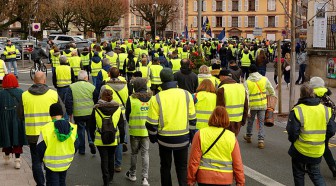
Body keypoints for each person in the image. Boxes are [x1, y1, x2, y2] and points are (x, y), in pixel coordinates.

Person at [146, 68, 197, 186]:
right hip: (183, 138)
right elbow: (193, 119)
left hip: (164, 139)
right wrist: (191, 135)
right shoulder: (186, 94)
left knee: (165, 167)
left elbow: (151, 123)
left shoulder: (157, 98)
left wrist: (153, 137)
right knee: (182, 167)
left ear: (162, 80)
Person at [286, 84, 335, 185]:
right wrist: (320, 140)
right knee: (316, 175)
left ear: (301, 95)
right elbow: (331, 130)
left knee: (299, 174)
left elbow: (292, 133)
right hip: (318, 150)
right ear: (313, 94)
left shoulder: (297, 110)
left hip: (300, 149)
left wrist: (294, 141)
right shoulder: (325, 109)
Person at [21, 71, 61, 186]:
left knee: (36, 161)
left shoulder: (25, 95)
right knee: (50, 160)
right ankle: (50, 182)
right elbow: (62, 111)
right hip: (50, 134)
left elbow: (20, 114)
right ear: (44, 80)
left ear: (34, 81)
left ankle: (40, 183)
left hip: (33, 134)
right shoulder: (53, 94)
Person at [187, 106, 245, 186]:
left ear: (211, 117)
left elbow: (194, 160)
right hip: (225, 178)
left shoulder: (200, 134)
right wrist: (240, 182)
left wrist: (191, 179)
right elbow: (237, 163)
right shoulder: (231, 137)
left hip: (205, 177)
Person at [89, 89, 125, 186]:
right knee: (111, 157)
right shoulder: (118, 108)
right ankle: (111, 177)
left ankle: (106, 179)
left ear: (101, 97)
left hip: (100, 139)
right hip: (114, 138)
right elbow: (121, 125)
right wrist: (122, 139)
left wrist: (92, 138)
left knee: (103, 159)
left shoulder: (96, 109)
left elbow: (91, 126)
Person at [36, 103, 79, 186]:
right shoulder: (72, 127)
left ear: (50, 114)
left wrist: (41, 160)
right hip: (66, 162)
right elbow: (76, 144)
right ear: (62, 114)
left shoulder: (46, 129)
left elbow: (40, 148)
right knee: (62, 181)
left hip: (50, 164)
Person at [100, 67, 129, 172]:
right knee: (120, 138)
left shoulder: (105, 86)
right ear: (119, 74)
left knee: (108, 135)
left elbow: (100, 99)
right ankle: (118, 164)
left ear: (109, 75)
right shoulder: (125, 85)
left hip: (109, 114)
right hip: (122, 113)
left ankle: (108, 161)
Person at [125, 78, 151, 186]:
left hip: (134, 130)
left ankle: (132, 174)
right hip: (146, 131)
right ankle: (145, 178)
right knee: (145, 154)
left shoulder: (131, 99)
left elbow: (127, 114)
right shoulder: (151, 98)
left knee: (134, 154)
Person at [309, 77, 336, 177]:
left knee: (322, 147)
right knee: (323, 146)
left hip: (320, 127)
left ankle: (333, 167)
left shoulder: (313, 98)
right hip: (330, 127)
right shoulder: (327, 98)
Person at [243, 64, 275, 149]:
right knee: (261, 123)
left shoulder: (247, 82)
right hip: (262, 105)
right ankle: (261, 141)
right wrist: (270, 97)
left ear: (249, 72)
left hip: (252, 106)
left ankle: (248, 136)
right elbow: (272, 90)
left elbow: (246, 96)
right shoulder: (264, 79)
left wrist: (248, 110)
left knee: (250, 121)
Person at [0, 74, 27, 169]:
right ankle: (17, 160)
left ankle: (7, 157)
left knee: (6, 136)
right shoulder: (20, 92)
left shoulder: (1, 94)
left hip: (5, 118)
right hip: (17, 117)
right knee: (17, 137)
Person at [69, 70, 96, 155]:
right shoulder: (91, 87)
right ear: (86, 78)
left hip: (78, 113)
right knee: (90, 129)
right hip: (90, 112)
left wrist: (70, 112)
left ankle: (82, 149)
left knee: (80, 131)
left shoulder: (72, 87)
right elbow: (96, 99)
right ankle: (91, 141)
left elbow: (69, 101)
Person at [217, 70, 248, 136]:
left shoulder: (222, 89)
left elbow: (220, 108)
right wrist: (243, 120)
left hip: (225, 122)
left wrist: (218, 123)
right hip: (238, 121)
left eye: (219, 77)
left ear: (222, 77)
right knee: (232, 141)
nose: (219, 80)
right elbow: (245, 106)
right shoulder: (241, 87)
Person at [52, 55, 75, 121]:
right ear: (66, 61)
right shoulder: (69, 68)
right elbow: (73, 79)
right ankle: (68, 116)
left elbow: (54, 79)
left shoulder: (57, 68)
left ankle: (64, 117)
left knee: (61, 104)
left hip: (60, 88)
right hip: (68, 87)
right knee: (68, 103)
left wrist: (56, 86)